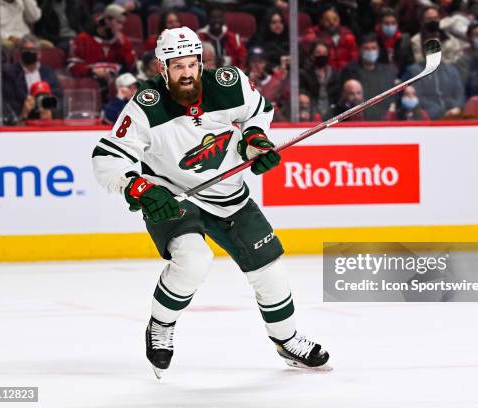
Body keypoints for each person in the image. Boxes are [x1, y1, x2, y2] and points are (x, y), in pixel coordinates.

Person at [91, 27, 330, 378]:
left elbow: (258, 113)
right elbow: (107, 157)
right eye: (177, 66)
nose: (187, 73)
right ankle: (161, 325)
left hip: (228, 193)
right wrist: (139, 189)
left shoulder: (230, 83)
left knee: (271, 271)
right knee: (193, 260)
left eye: (192, 64)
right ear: (162, 68)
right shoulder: (147, 105)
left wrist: (256, 142)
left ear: (202, 62)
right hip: (174, 195)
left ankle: (287, 339)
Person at [2, 34, 62, 122]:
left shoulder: (48, 73)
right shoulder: (10, 74)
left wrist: (51, 112)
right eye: (25, 50)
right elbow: (8, 102)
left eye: (32, 50)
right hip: (22, 122)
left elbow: (58, 98)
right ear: (20, 53)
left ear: (39, 54)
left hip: (47, 122)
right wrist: (24, 112)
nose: (28, 53)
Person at [68, 4, 136, 78]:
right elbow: (72, 66)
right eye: (118, 22)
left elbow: (132, 68)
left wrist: (123, 46)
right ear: (107, 20)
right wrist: (92, 72)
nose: (121, 27)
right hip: (91, 81)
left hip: (117, 83)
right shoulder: (82, 39)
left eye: (123, 24)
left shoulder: (123, 41)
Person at [340, 34, 396, 121]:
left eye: (374, 48)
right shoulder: (350, 70)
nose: (371, 51)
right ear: (360, 50)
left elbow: (393, 98)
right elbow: (343, 99)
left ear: (378, 50)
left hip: (384, 121)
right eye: (367, 48)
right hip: (358, 121)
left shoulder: (388, 71)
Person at [299, 39, 340, 120]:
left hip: (332, 113)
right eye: (318, 53)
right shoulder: (305, 74)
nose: (322, 55)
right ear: (312, 54)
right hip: (312, 113)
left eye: (324, 53)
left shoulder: (335, 74)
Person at [374, 8, 414, 76]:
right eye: (386, 23)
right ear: (380, 25)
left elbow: (410, 64)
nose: (390, 26)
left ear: (397, 24)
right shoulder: (374, 41)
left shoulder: (405, 40)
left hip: (402, 79)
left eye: (393, 23)